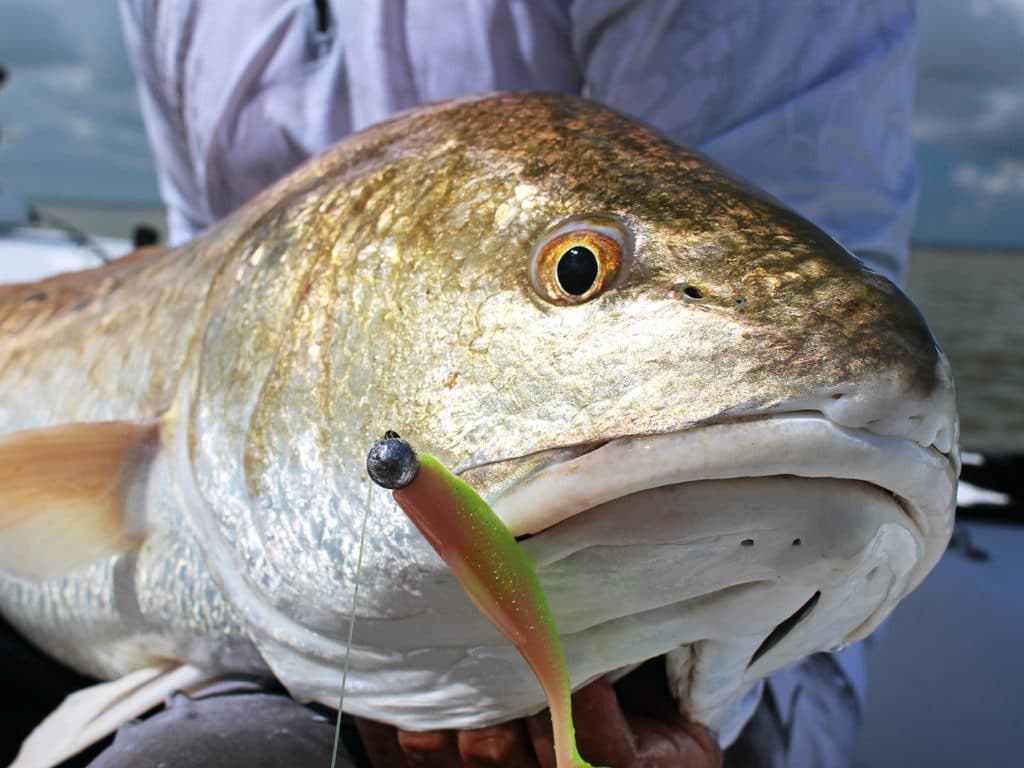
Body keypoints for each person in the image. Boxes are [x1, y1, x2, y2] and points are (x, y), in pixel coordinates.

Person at [108, 1, 917, 766]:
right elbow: (210, 248)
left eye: (577, 271)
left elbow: (810, 366)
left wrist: (663, 700)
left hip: (747, 667)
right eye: (576, 272)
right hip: (301, 565)